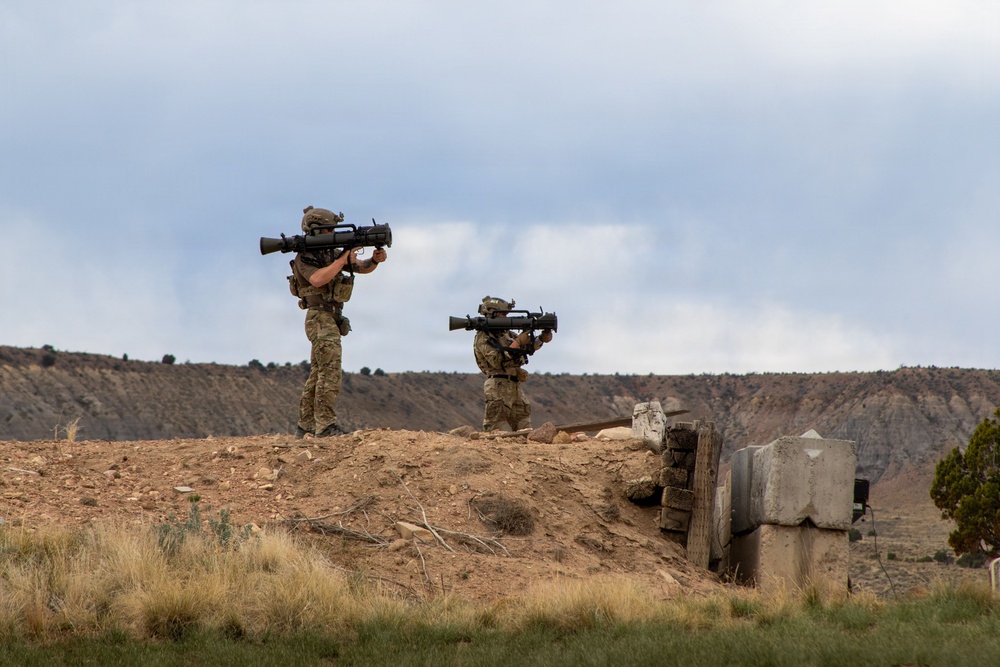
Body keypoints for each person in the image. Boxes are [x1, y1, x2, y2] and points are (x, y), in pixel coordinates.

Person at [290, 206, 387, 438]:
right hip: (319, 317)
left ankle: (305, 427)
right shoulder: (305, 256)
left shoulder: (330, 254)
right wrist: (343, 257)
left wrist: (374, 260)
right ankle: (325, 427)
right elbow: (318, 278)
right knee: (330, 372)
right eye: (329, 228)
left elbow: (360, 268)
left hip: (331, 317)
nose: (333, 232)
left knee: (318, 373)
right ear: (317, 229)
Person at [472, 295, 553, 432]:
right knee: (494, 430)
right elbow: (498, 360)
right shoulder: (483, 337)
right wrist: (518, 342)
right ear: (492, 313)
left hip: (514, 385)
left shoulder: (506, 334)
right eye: (503, 314)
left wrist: (541, 338)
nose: (506, 317)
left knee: (525, 429)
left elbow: (527, 347)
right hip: (497, 386)